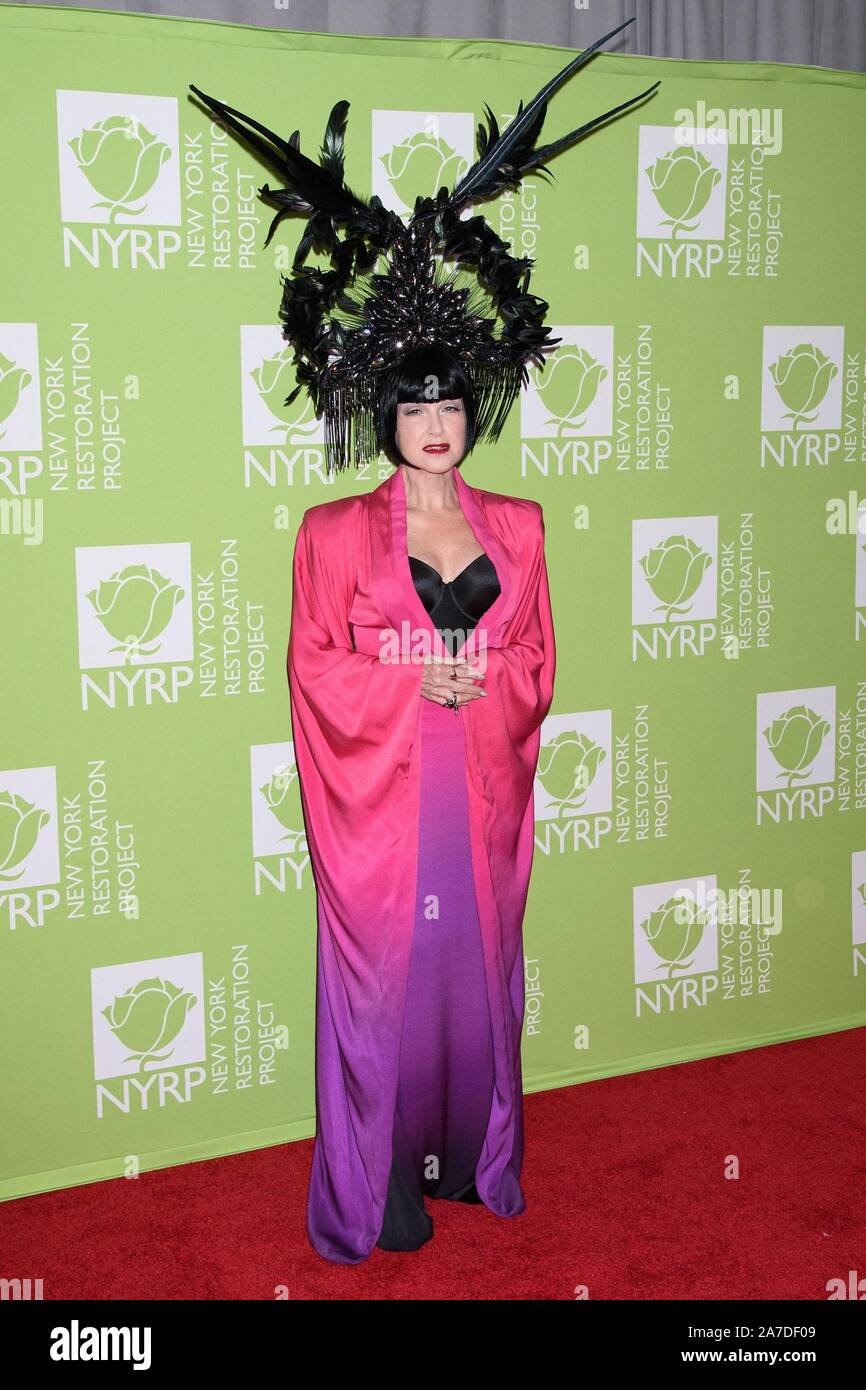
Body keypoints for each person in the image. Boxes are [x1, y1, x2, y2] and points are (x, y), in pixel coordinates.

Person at [189, 16, 659, 1264]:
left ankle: (466, 1156)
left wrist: (485, 680)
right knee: (381, 991)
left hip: (480, 788)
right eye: (414, 404)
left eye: (453, 400)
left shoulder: (522, 520)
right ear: (378, 416)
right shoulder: (333, 528)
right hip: (379, 797)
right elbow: (312, 664)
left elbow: (542, 660)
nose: (436, 422)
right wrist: (416, 672)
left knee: (474, 981)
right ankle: (379, 1183)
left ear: (478, 404)